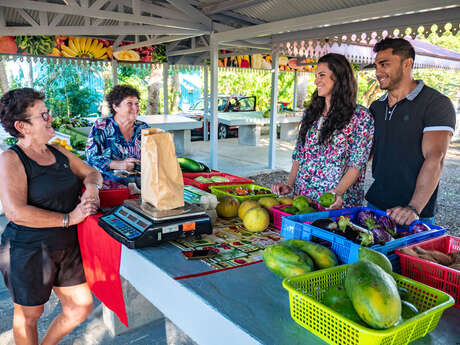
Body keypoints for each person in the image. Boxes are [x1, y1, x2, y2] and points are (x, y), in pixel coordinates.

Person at [0, 88, 103, 345]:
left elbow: (92, 173)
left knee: (80, 307)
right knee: (30, 314)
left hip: (67, 245)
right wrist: (70, 217)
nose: (51, 119)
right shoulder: (11, 159)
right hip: (29, 249)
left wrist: (91, 189)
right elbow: (16, 212)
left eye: (48, 113)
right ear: (22, 126)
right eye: (43, 115)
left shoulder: (58, 152)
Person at [365, 38, 456, 225]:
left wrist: (413, 208)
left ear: (408, 64)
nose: (378, 72)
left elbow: (435, 157)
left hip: (414, 214)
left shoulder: (436, 103)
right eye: (376, 66)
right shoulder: (376, 106)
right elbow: (366, 153)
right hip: (374, 204)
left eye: (384, 64)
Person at [272, 53, 374, 208]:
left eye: (321, 75)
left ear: (339, 78)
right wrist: (290, 186)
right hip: (303, 200)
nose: (315, 81)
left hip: (337, 204)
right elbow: (299, 154)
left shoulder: (360, 116)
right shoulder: (312, 112)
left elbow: (356, 165)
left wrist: (336, 194)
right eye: (315, 76)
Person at [85, 84, 149, 173]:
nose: (135, 108)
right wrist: (120, 165)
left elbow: (154, 156)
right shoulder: (102, 126)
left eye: (136, 103)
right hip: (109, 181)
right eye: (129, 103)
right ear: (115, 107)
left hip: (141, 181)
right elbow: (91, 157)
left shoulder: (143, 128)